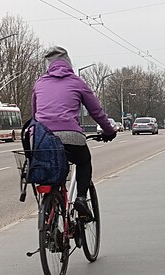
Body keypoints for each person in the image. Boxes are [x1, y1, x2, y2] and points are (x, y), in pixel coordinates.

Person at [31, 46, 116, 219]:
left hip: (43, 138)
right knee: (84, 161)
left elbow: (34, 114)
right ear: (68, 62)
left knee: (51, 165)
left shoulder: (39, 83)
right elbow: (96, 111)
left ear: (48, 65)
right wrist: (109, 131)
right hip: (71, 136)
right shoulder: (76, 82)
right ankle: (82, 199)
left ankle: (50, 213)